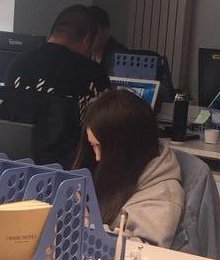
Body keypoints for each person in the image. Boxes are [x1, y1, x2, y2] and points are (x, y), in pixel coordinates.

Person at [0, 4, 111, 168]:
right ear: (87, 40)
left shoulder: (18, 64)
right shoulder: (92, 73)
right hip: (67, 170)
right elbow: (103, 126)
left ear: (54, 31)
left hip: (15, 166)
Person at [73, 88, 184, 247]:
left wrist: (88, 226)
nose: (97, 157)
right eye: (93, 146)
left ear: (127, 148)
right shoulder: (119, 170)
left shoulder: (162, 195)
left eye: (101, 147)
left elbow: (141, 254)